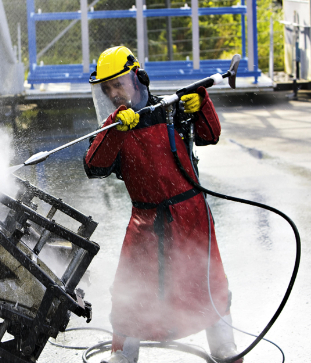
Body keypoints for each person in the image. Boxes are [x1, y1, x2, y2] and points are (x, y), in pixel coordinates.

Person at [83, 46, 242, 363]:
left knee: (206, 279)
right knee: (133, 286)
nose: (114, 93)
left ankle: (224, 345)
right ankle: (123, 353)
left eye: (119, 83)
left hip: (191, 212)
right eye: (107, 88)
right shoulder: (112, 128)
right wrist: (115, 128)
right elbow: (94, 167)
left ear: (138, 78)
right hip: (145, 218)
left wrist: (201, 106)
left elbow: (210, 135)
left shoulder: (172, 111)